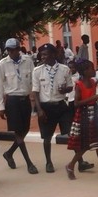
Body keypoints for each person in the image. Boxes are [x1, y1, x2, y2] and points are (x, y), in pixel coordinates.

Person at [0, 38, 39, 174]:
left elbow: (34, 80)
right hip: (12, 101)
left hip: (25, 99)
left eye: (14, 49)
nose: (12, 52)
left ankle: (9, 153)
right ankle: (29, 163)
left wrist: (35, 98)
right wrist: (1, 106)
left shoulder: (28, 61)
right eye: (9, 50)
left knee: (25, 130)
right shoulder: (3, 64)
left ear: (19, 49)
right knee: (18, 132)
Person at [32, 43, 74, 173]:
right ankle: (48, 162)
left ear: (53, 54)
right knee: (47, 137)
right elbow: (35, 92)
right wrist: (39, 110)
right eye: (42, 54)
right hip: (46, 107)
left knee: (71, 133)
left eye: (45, 54)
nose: (42, 57)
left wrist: (65, 89)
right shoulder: (37, 71)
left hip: (61, 105)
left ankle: (80, 159)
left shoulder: (64, 69)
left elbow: (70, 87)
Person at [65, 59, 98, 180]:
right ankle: (71, 165)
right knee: (84, 145)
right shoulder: (79, 85)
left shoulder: (93, 82)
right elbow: (77, 103)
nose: (94, 70)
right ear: (84, 71)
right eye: (91, 68)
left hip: (93, 113)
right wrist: (94, 97)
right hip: (83, 115)